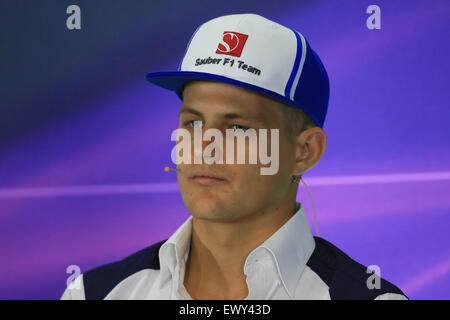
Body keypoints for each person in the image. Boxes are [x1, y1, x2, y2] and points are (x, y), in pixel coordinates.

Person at [61, 13, 408, 300]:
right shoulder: (94, 294)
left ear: (305, 151)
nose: (204, 146)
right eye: (193, 122)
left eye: (238, 128)